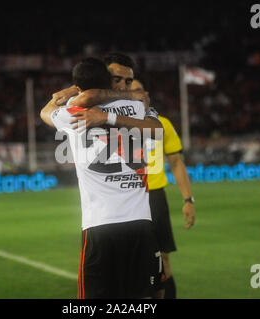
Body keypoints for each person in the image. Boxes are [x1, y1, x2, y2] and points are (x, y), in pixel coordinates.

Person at [40, 57, 164, 299]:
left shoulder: (76, 111)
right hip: (137, 223)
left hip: (102, 225)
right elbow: (157, 130)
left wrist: (75, 92)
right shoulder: (139, 108)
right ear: (106, 79)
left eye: (128, 81)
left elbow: (45, 112)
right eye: (117, 79)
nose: (124, 86)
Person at [132, 79, 196, 299]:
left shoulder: (163, 124)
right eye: (131, 91)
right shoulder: (112, 124)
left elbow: (177, 163)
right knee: (131, 265)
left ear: (147, 94)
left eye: (140, 89)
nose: (137, 94)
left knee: (163, 260)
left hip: (155, 197)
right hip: (126, 198)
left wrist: (188, 199)